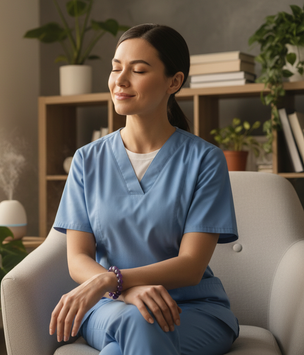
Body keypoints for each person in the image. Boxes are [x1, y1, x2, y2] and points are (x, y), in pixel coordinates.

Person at [49, 23, 239, 355]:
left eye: (137, 70)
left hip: (194, 309)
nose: (120, 80)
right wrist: (125, 291)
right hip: (110, 307)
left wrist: (113, 279)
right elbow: (77, 257)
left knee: (124, 342)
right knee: (138, 320)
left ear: (174, 82)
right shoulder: (86, 160)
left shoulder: (205, 160)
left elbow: (191, 264)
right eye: (115, 68)